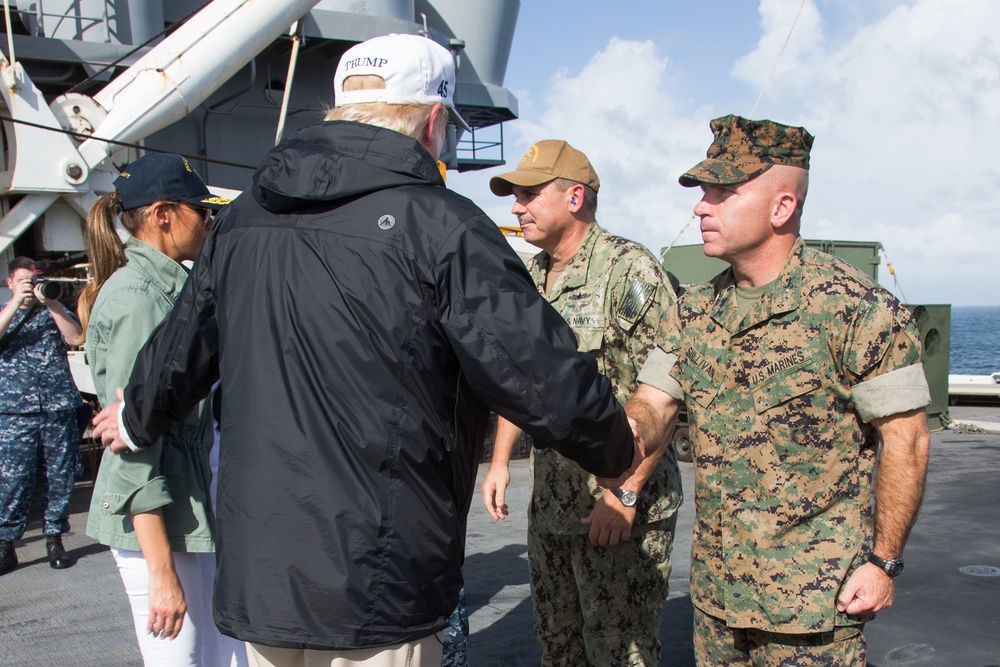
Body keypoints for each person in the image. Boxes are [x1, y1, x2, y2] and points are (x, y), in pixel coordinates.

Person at [91, 34, 645, 667]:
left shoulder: (242, 223)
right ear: (433, 121)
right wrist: (615, 450)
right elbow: (538, 374)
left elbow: (176, 356)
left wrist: (135, 417)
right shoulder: (441, 226)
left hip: (265, 575)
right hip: (379, 580)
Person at [628, 115, 932, 665]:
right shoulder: (694, 310)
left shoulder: (856, 310)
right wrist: (622, 431)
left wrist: (884, 562)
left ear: (781, 207)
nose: (701, 206)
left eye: (722, 193)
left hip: (815, 609)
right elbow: (653, 403)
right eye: (703, 192)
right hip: (717, 604)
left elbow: (906, 441)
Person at [481, 140, 683, 666]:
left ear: (574, 198)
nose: (516, 206)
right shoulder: (529, 278)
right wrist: (501, 460)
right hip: (553, 508)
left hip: (615, 510)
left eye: (528, 193)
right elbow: (519, 382)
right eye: (514, 195)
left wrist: (627, 493)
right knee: (560, 651)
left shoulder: (628, 272)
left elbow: (667, 391)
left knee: (618, 655)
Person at [77, 152, 244, 666]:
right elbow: (132, 446)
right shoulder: (137, 298)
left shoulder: (171, 289)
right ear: (163, 214)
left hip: (189, 511)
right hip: (159, 525)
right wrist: (161, 572)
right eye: (203, 210)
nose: (211, 221)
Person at [0, 257, 84, 575]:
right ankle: (6, 545)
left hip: (57, 406)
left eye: (34, 281)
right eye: (24, 281)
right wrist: (15, 304)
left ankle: (54, 540)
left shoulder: (53, 312)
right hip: (14, 411)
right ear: (10, 282)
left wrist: (50, 303)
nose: (30, 287)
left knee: (59, 477)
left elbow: (75, 337)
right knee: (13, 479)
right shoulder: (4, 314)